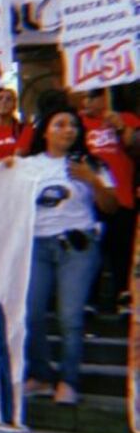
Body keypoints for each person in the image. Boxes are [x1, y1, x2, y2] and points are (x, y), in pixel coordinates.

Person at [23, 106, 118, 406]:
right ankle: (40, 375)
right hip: (37, 246)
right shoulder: (28, 165)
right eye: (60, 124)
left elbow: (111, 207)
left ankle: (68, 380)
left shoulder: (92, 164)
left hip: (77, 247)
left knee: (70, 316)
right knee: (31, 312)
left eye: (73, 125)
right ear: (46, 131)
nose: (68, 130)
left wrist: (92, 180)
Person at [78, 88, 139, 310]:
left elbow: (136, 146)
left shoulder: (128, 118)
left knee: (121, 250)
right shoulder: (79, 122)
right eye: (86, 96)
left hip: (123, 195)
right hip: (91, 197)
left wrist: (121, 126)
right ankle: (91, 299)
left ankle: (123, 296)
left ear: (105, 98)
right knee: (93, 249)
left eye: (92, 97)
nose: (87, 101)